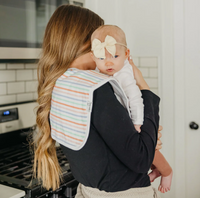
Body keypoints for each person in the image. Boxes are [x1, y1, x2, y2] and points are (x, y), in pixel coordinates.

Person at [33, 4, 163, 198]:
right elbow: (142, 159)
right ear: (88, 44)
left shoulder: (61, 84)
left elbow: (104, 146)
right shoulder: (95, 87)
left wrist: (145, 138)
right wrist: (143, 87)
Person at [90, 25, 173, 193]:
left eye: (115, 56)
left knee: (150, 151)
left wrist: (137, 124)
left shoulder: (124, 74)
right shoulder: (103, 71)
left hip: (136, 117)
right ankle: (155, 171)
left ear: (127, 55)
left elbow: (136, 99)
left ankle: (167, 171)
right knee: (139, 154)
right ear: (93, 57)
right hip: (124, 119)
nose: (108, 62)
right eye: (101, 58)